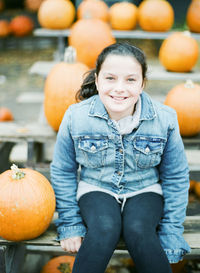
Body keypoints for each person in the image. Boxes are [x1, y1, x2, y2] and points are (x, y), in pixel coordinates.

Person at [50, 42, 191, 273]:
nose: (120, 88)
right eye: (110, 78)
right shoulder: (76, 117)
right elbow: (63, 170)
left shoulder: (164, 119)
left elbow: (175, 176)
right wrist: (71, 224)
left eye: (131, 80)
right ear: (97, 80)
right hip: (97, 186)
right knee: (105, 227)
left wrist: (171, 232)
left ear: (143, 83)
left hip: (144, 188)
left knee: (138, 228)